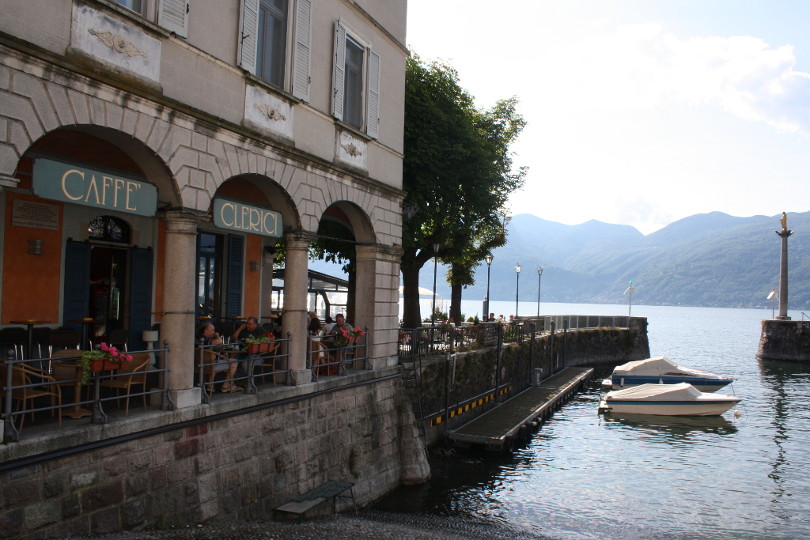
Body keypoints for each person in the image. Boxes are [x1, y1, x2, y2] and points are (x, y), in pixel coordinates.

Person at [197, 322, 241, 393]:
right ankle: (226, 385)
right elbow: (219, 341)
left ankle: (210, 385)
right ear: (205, 331)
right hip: (209, 365)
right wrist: (217, 335)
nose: (213, 332)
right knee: (234, 362)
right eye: (212, 330)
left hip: (200, 363)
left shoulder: (198, 337)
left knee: (214, 359)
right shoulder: (204, 339)